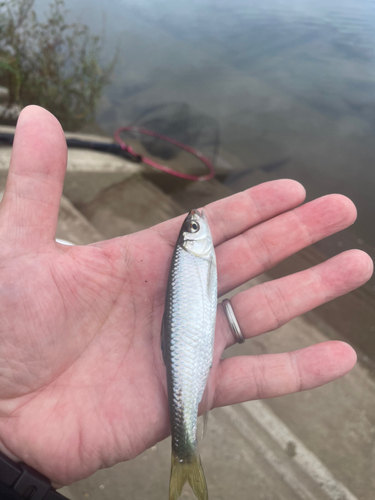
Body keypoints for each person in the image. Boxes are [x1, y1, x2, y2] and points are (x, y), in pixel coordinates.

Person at [0, 105, 372, 488]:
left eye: (191, 226)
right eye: (194, 227)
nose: (198, 226)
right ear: (193, 242)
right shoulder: (194, 255)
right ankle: (185, 452)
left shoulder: (194, 257)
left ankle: (185, 450)